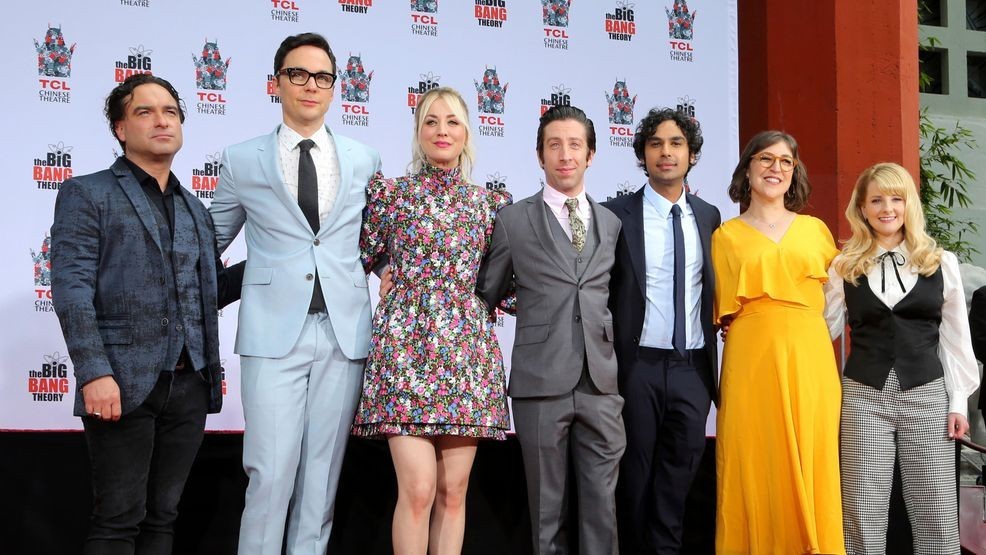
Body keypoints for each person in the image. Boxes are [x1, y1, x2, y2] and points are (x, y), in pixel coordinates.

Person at [50, 73, 244, 554]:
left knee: (162, 519)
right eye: (145, 111)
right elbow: (71, 290)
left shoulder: (196, 210)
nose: (162, 121)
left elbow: (208, 292)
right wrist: (94, 372)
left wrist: (277, 259)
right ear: (120, 128)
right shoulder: (87, 193)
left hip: (190, 386)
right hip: (120, 382)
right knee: (118, 520)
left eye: (171, 112)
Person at [209, 33, 382, 554]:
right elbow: (208, 241)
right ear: (276, 82)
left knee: (322, 479)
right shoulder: (242, 159)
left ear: (334, 89)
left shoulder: (364, 159)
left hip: (344, 332)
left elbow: (378, 243)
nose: (311, 86)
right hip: (270, 333)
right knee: (269, 473)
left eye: (322, 77)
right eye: (298, 75)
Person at [353, 86, 510, 554]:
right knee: (418, 491)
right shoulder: (391, 194)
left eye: (453, 122)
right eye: (431, 121)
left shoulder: (491, 205)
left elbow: (508, 284)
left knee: (453, 493)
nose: (442, 130)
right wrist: (384, 270)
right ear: (418, 132)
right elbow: (361, 253)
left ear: (467, 134)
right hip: (405, 351)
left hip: (468, 355)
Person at [477, 105, 626, 555]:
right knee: (546, 509)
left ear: (591, 155)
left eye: (574, 145)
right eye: (554, 145)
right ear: (539, 155)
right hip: (539, 382)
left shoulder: (612, 224)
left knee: (603, 508)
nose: (565, 155)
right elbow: (486, 294)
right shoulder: (512, 220)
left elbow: (614, 299)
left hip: (601, 383)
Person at [825, 162, 979, 554]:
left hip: (927, 395)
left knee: (937, 514)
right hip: (864, 397)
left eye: (896, 198)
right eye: (876, 199)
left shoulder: (940, 262)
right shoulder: (844, 265)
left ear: (909, 204)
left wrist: (958, 401)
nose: (887, 208)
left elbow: (956, 339)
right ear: (861, 208)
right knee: (861, 513)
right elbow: (821, 329)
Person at [713, 130, 844, 554]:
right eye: (766, 159)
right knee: (752, 462)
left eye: (786, 162)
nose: (776, 168)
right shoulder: (724, 236)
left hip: (810, 356)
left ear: (795, 173)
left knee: (812, 458)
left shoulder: (816, 230)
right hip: (750, 357)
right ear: (748, 167)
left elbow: (838, 304)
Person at [603, 107, 720, 554]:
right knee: (633, 484)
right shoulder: (614, 215)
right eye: (655, 144)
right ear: (643, 154)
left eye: (676, 144)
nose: (666, 152)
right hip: (636, 368)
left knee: (676, 488)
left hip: (692, 371)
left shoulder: (709, 217)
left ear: (691, 155)